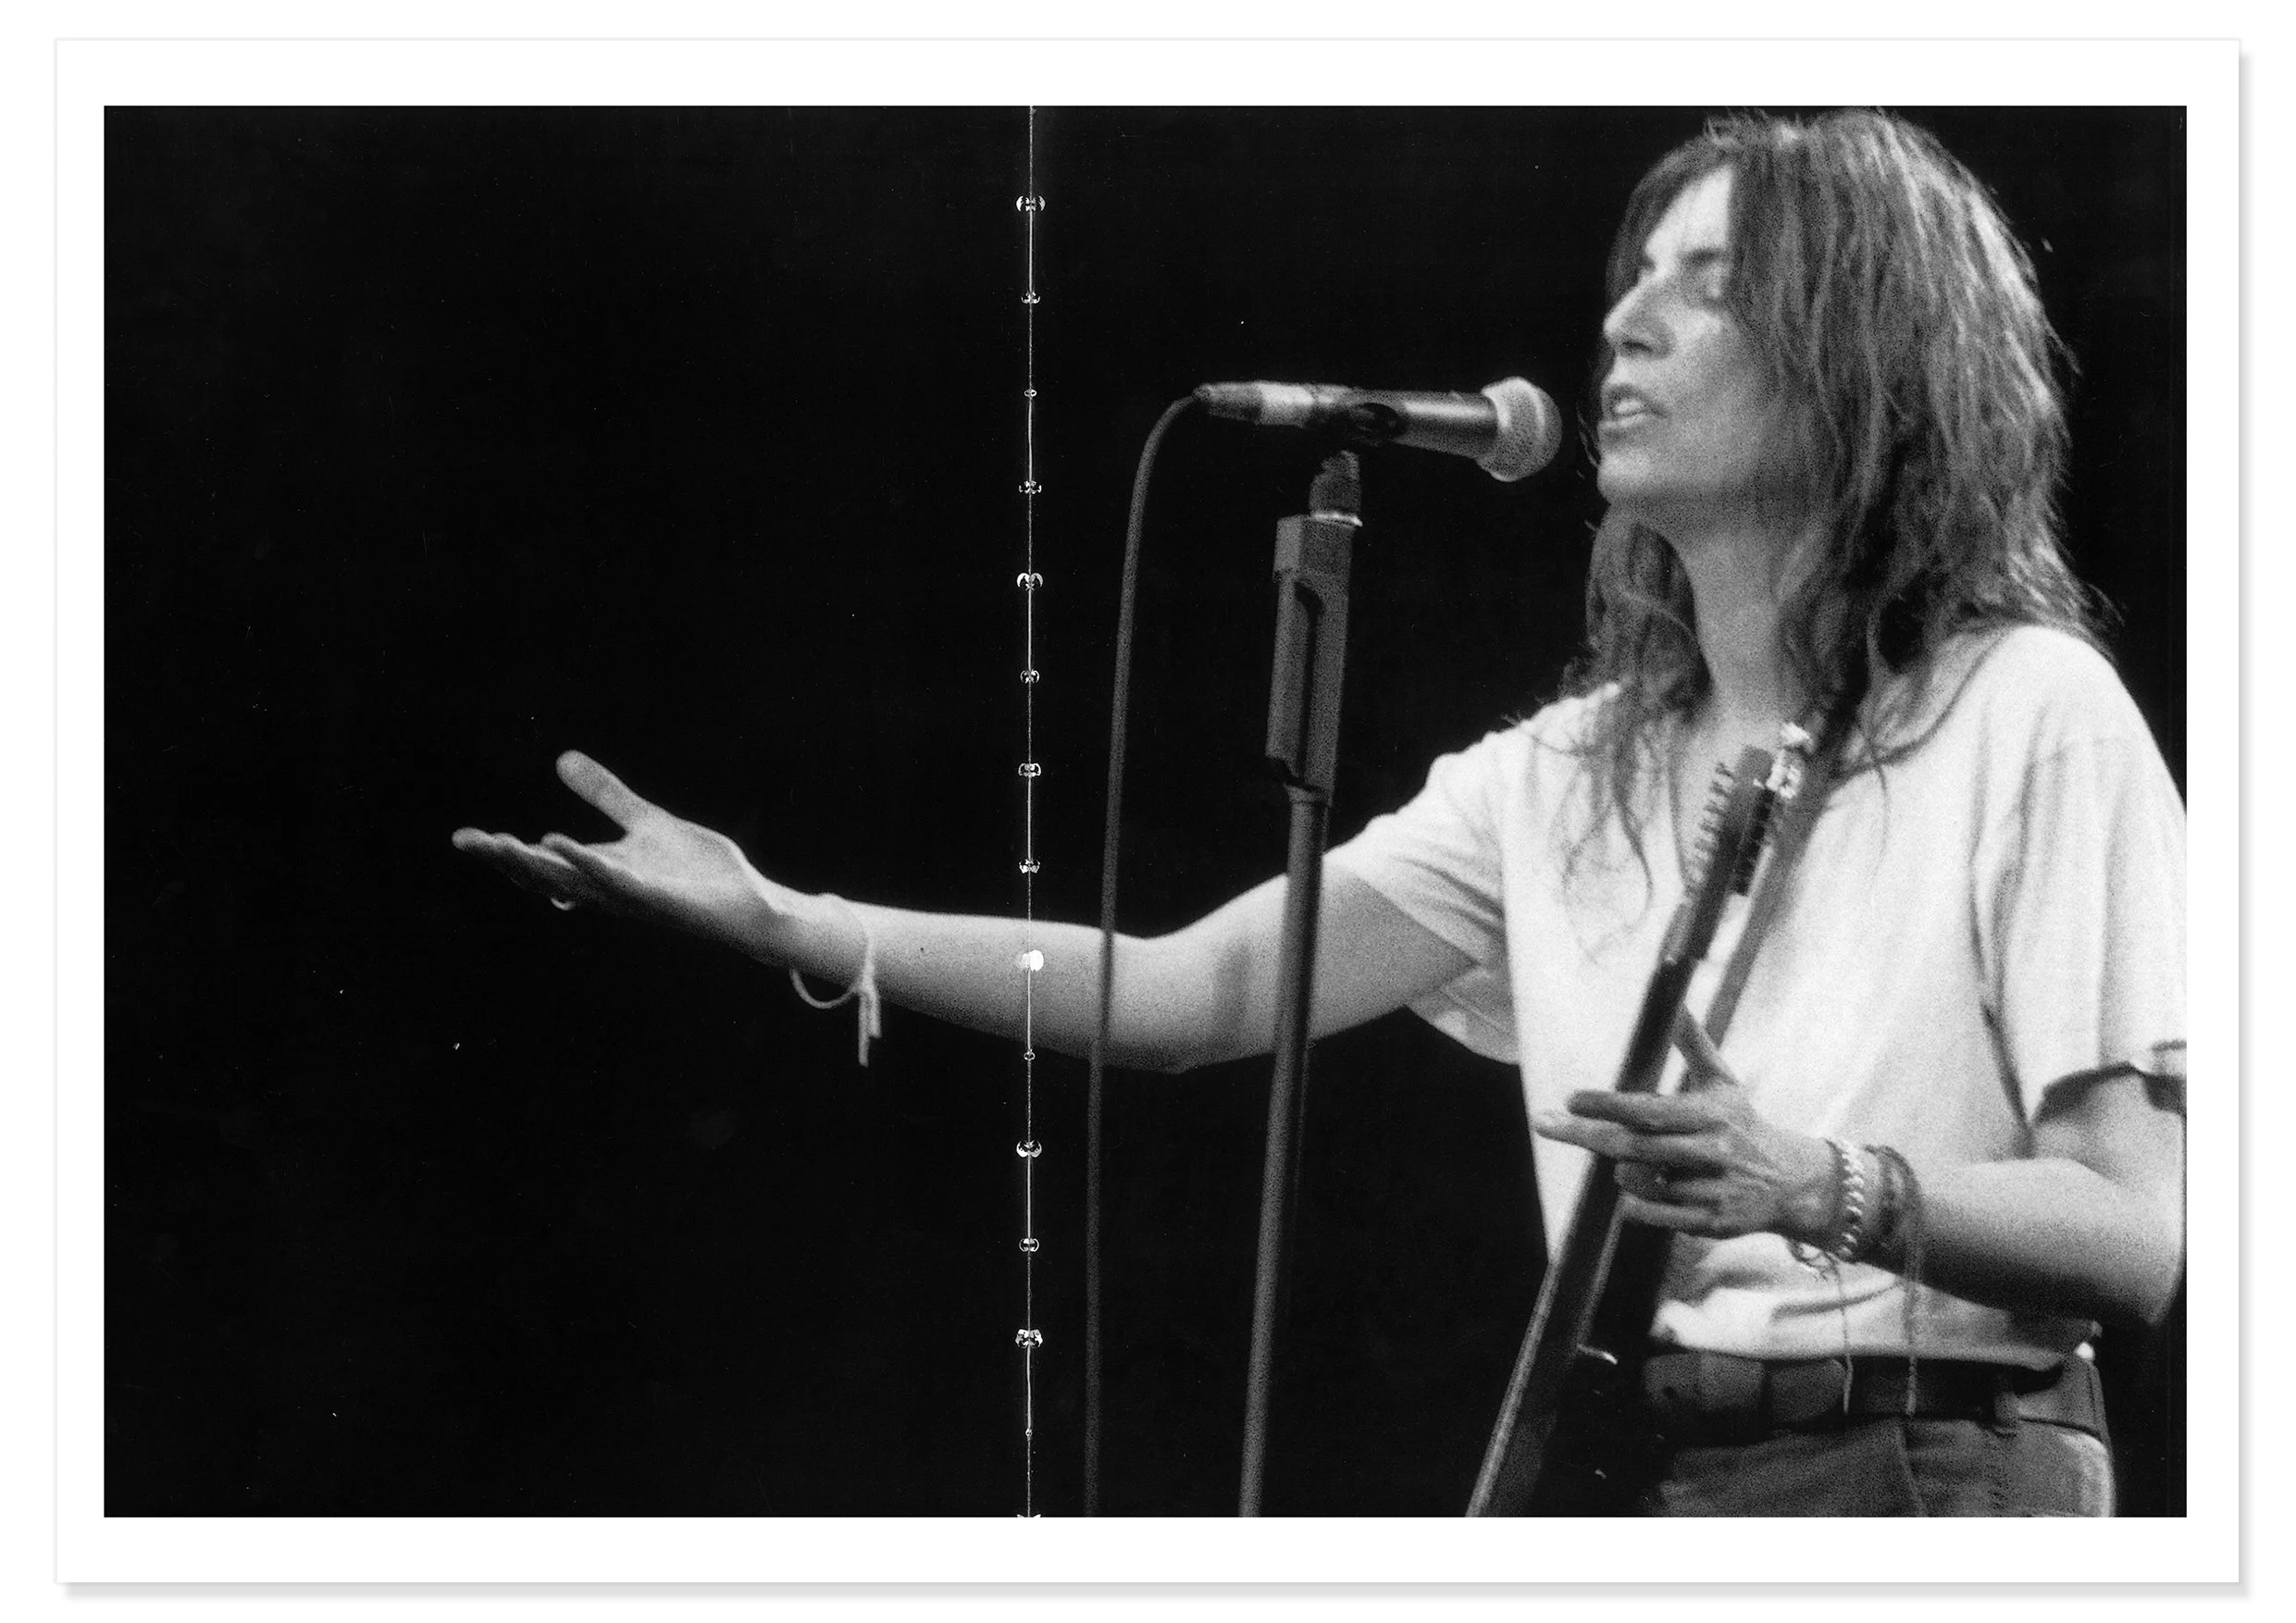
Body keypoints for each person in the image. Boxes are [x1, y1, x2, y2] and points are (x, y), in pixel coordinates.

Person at [453, 110, 2184, 1517]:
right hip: (1651, 1480)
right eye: (1635, 276)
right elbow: (1193, 987)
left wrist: (1819, 1182)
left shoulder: (2022, 710)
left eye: (1711, 285)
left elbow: (2134, 1230)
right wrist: (794, 919)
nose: (1625, 322)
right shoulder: (1562, 776)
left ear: (1863, 356)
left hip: (1940, 1470)